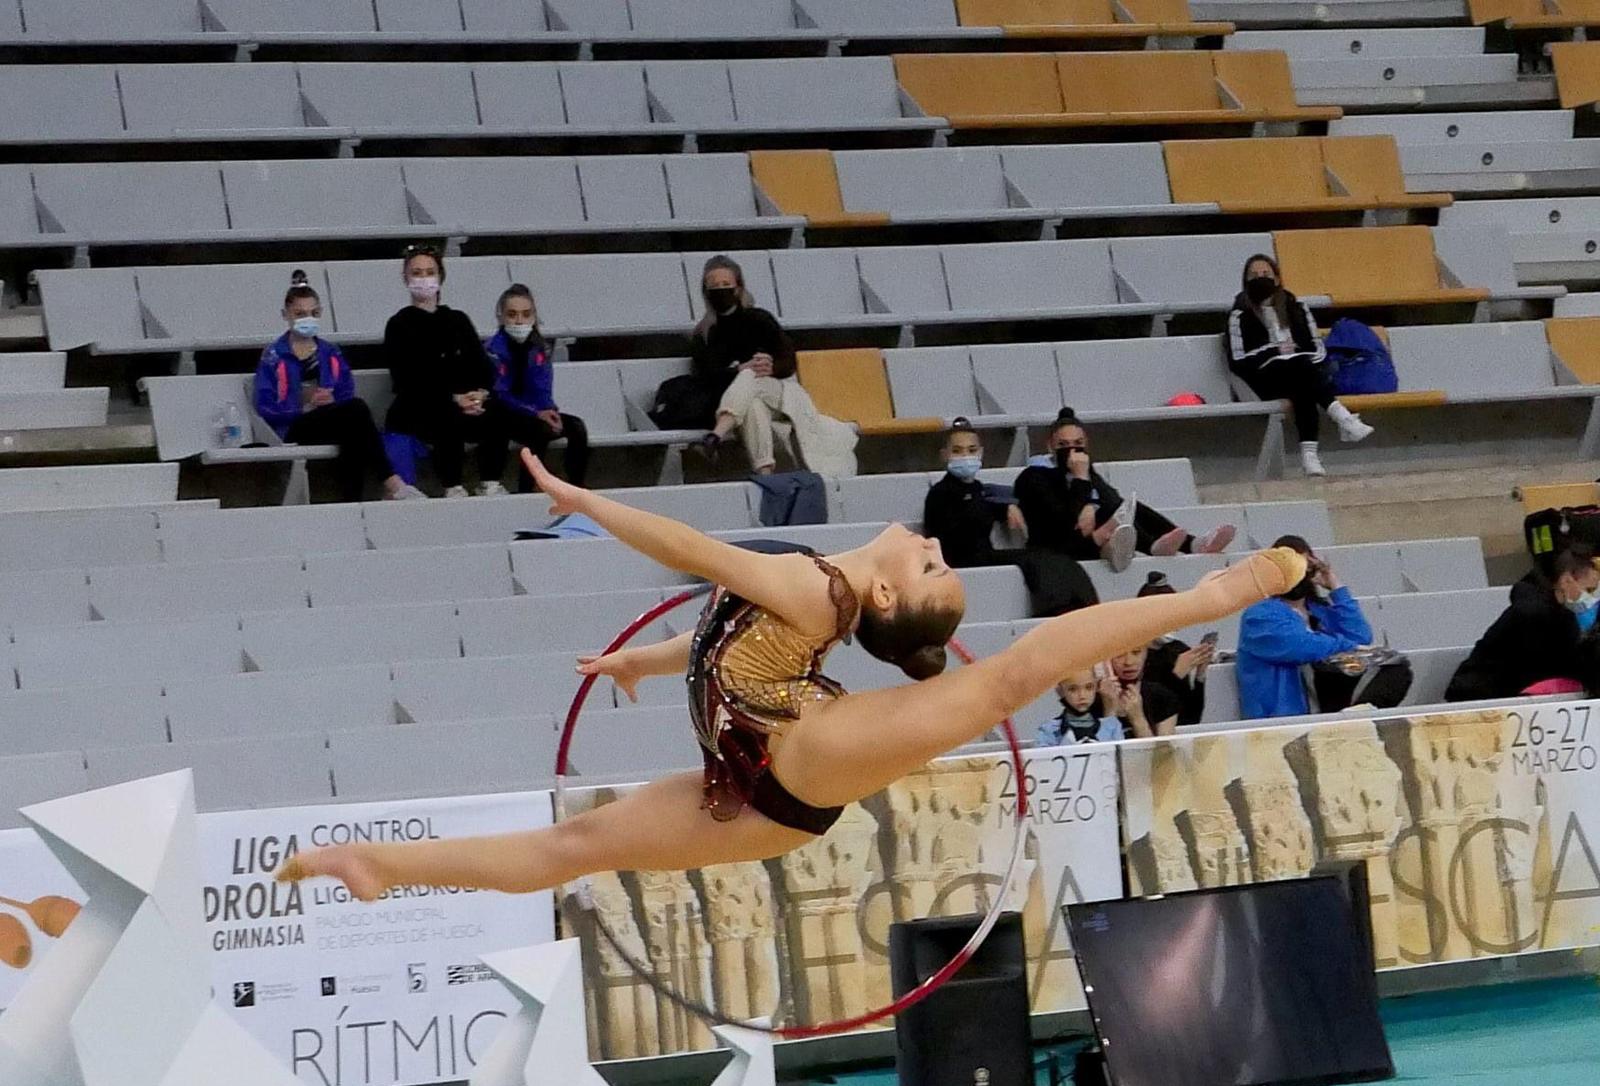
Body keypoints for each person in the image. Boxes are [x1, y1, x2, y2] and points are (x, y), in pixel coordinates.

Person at [279, 451, 1304, 902]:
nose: (928, 546)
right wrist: (644, 659)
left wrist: (587, 500)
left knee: (1009, 680)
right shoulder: (812, 609)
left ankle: (1207, 599)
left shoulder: (813, 588)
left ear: (893, 599)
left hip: (802, 756)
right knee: (576, 844)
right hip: (756, 782)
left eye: (932, 566)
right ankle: (383, 867)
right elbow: (729, 643)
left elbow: (689, 554)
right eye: (941, 558)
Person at [253, 272, 423, 502]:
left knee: (352, 428)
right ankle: (393, 483)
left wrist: (331, 403)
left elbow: (345, 391)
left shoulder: (330, 353)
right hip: (293, 427)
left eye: (313, 313)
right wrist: (302, 410)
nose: (307, 319)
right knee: (357, 413)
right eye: (300, 314)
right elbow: (265, 405)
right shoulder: (274, 357)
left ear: (320, 313)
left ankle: (353, 502)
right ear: (286, 315)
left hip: (331, 421)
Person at [691, 255, 856, 477]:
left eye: (726, 285)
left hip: (780, 393)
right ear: (706, 292)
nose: (720, 291)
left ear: (738, 288)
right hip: (741, 400)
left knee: (752, 376)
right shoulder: (705, 332)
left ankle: (716, 434)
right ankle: (765, 472)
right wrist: (737, 370)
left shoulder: (760, 319)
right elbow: (706, 377)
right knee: (753, 403)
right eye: (714, 286)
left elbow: (788, 361)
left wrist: (771, 368)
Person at [1013, 409, 1235, 574]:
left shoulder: (1087, 472)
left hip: (1091, 539)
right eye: (1063, 444)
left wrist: (1088, 494)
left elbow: (1113, 501)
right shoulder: (1034, 476)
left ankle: (1191, 544)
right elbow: (1069, 520)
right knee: (1111, 514)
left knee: (1127, 507)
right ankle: (1152, 546)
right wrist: (1081, 480)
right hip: (1061, 546)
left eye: (1078, 443)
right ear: (1051, 446)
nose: (1072, 451)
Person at [1226, 253, 1374, 480]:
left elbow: (1317, 349)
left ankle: (1313, 454)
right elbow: (1238, 360)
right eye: (1254, 275)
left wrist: (1294, 354)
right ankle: (1339, 422)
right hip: (1265, 378)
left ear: (1276, 278)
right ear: (1245, 281)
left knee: (1301, 375)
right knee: (1302, 374)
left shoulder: (1298, 308)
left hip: (1303, 372)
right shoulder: (1239, 315)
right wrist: (1275, 351)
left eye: (1265, 274)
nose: (1260, 278)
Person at [382, 245, 507, 499]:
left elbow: (482, 365)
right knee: (444, 413)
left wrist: (479, 394)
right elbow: (407, 378)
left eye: (430, 272)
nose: (424, 278)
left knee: (500, 410)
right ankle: (452, 485)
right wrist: (452, 398)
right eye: (417, 272)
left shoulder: (458, 320)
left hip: (468, 401)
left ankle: (490, 481)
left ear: (440, 276)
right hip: (420, 406)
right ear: (406, 278)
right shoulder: (399, 324)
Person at [1236, 535, 1374, 720]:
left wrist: (1336, 587)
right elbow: (1300, 646)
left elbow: (1361, 637)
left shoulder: (1319, 610)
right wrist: (1345, 645)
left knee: (1397, 669)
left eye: (1303, 568)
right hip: (1281, 720)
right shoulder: (1260, 615)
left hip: (1326, 708)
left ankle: (1351, 717)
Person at [1446, 545, 1600, 703]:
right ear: (1566, 580)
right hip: (1480, 700)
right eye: (1589, 589)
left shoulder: (1553, 611)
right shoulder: (1537, 616)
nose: (1591, 598)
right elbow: (1563, 666)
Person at [482, 283, 590, 491]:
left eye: (525, 314)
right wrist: (535, 413)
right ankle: (526, 489)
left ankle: (577, 486)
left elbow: (543, 386)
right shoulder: (492, 350)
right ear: (501, 317)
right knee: (538, 431)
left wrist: (550, 411)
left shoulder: (539, 348)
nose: (519, 320)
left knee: (576, 426)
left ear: (533, 316)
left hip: (536, 411)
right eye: (512, 315)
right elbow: (500, 393)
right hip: (506, 414)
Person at [922, 418, 1027, 568]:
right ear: (944, 455)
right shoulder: (939, 493)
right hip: (960, 566)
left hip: (985, 559)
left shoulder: (977, 488)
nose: (965, 456)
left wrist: (1007, 507)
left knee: (1039, 557)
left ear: (981, 453)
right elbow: (963, 529)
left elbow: (981, 506)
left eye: (972, 450)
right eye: (957, 451)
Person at [1135, 570, 1217, 726]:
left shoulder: (1176, 650)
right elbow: (1152, 711)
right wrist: (1175, 675)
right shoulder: (1135, 656)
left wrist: (1200, 674)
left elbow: (1192, 717)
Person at [1104, 644, 1181, 738]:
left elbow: (1163, 751)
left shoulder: (1162, 697)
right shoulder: (1089, 697)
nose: (1128, 662)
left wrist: (1138, 719)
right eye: (1119, 654)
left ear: (1145, 654)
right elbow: (1099, 750)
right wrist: (1109, 712)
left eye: (1136, 652)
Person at [1034, 670, 1124, 746]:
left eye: (1089, 687)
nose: (1082, 696)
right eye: (1073, 689)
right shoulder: (1049, 731)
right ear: (1060, 691)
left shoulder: (1112, 727)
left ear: (1096, 687)